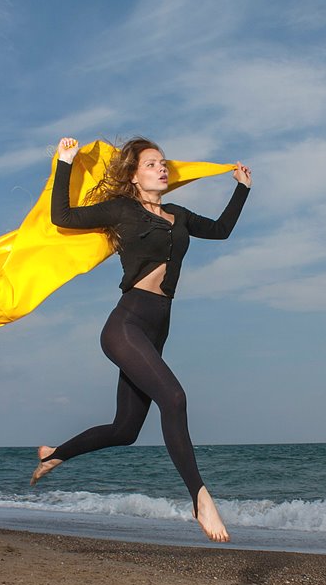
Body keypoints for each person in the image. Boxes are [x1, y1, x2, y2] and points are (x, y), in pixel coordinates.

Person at [31, 136, 252, 542]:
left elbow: (220, 231)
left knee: (126, 429)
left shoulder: (178, 215)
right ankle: (200, 498)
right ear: (134, 176)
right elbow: (61, 216)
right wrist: (64, 161)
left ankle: (55, 454)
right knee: (175, 398)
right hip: (126, 326)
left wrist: (241, 188)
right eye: (152, 164)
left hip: (157, 328)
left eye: (164, 163)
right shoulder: (121, 210)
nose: (162, 168)